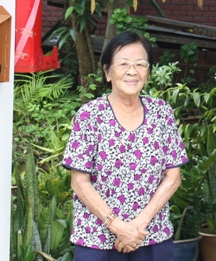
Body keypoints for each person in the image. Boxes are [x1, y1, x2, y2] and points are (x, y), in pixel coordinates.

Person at [62, 31, 188, 259]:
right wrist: (118, 227)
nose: (133, 71)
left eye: (140, 64)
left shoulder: (162, 113)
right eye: (123, 64)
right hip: (97, 240)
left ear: (148, 72)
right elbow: (79, 182)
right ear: (107, 72)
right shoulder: (90, 115)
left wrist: (138, 226)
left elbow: (173, 176)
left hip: (151, 236)